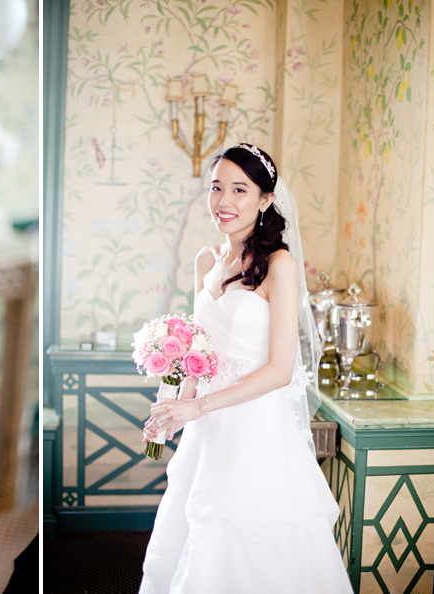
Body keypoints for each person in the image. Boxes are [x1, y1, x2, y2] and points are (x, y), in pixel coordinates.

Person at [139, 144, 352, 593]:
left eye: (240, 189)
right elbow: (199, 354)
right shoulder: (205, 261)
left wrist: (200, 408)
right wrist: (174, 407)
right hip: (206, 429)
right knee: (195, 535)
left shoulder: (280, 265)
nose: (224, 201)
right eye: (217, 188)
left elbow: (279, 369)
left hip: (255, 427)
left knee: (247, 539)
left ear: (265, 199)